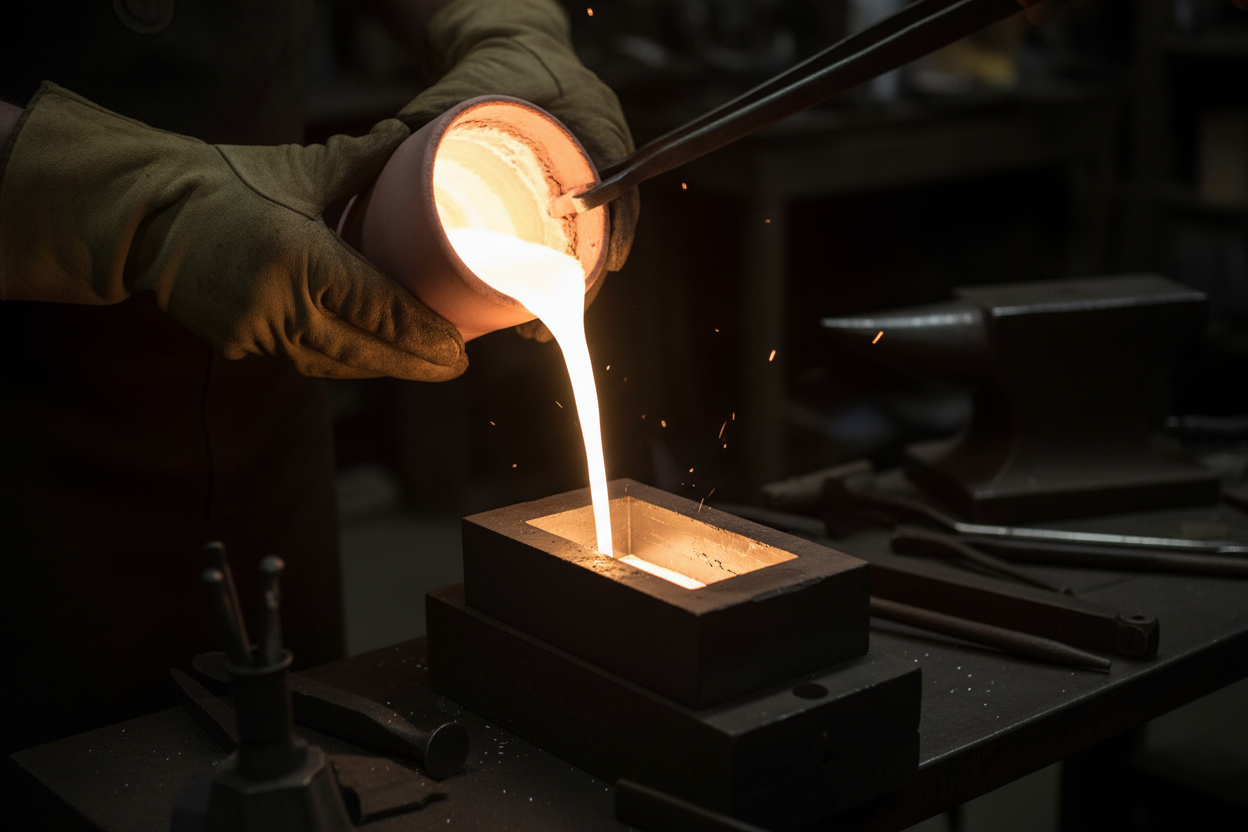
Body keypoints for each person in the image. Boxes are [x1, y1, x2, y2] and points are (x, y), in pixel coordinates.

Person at [0, 0, 637, 756]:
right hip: (27, 425)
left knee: (294, 731)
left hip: (270, 359)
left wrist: (505, 26)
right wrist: (129, 199)